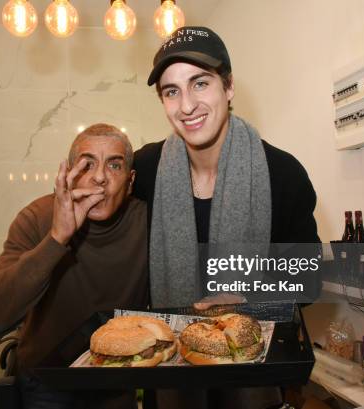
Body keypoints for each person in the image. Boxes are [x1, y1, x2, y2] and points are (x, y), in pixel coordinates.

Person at [132, 26, 321, 409]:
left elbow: (309, 278)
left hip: (255, 378)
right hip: (171, 382)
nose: (186, 106)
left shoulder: (281, 173)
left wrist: (254, 296)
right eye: (172, 91)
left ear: (228, 86)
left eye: (200, 83)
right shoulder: (146, 169)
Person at [0, 124, 147, 409]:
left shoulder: (146, 222)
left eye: (115, 165)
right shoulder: (37, 217)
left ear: (131, 180)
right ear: (71, 175)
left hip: (115, 383)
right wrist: (57, 238)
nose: (100, 177)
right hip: (46, 383)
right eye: (87, 165)